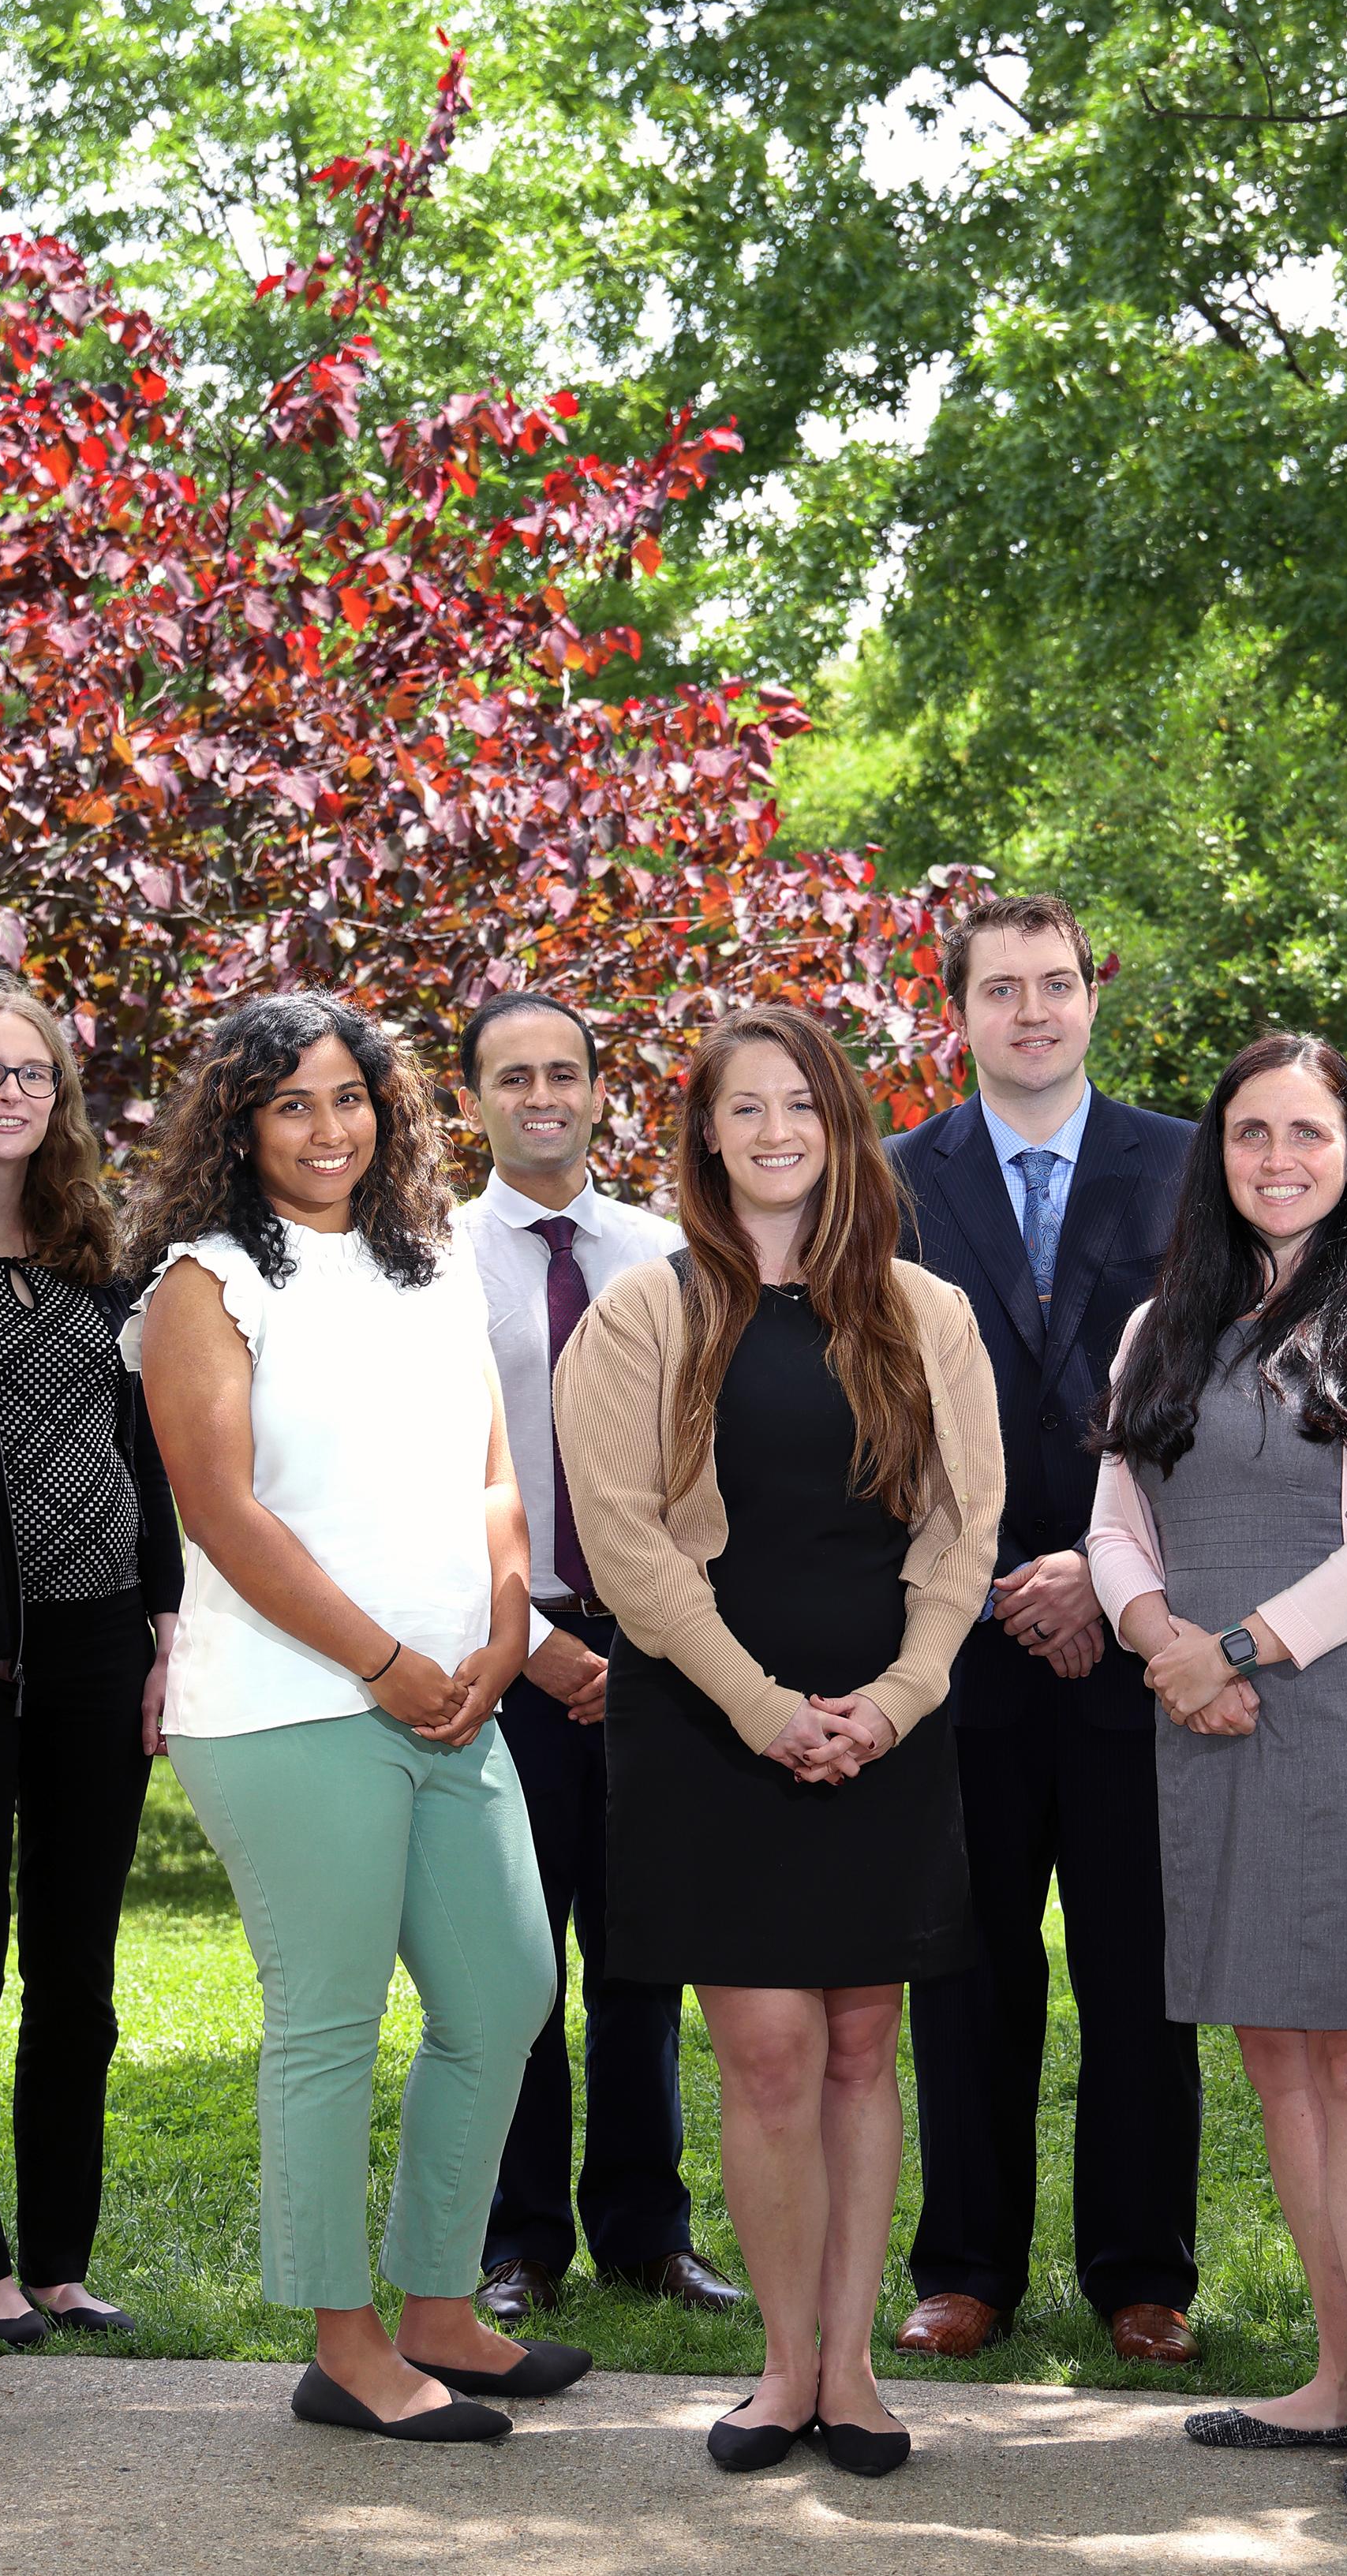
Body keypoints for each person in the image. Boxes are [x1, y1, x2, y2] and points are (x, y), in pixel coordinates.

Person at [562, 1001, 1002, 2477]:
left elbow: (966, 1528)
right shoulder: (643, 1310)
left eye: (800, 1107)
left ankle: (852, 2367)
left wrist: (901, 1694)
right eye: (743, 1108)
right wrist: (758, 1709)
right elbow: (623, 1540)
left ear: (841, 1129)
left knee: (863, 2046)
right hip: (707, 1717)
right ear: (703, 1135)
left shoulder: (925, 1312)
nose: (773, 1132)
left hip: (886, 1712)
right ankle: (778, 2368)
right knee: (763, 2051)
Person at [125, 993, 566, 2445]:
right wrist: (382, 1659)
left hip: (456, 1693)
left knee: (503, 1992)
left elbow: (494, 1466)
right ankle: (345, 2343)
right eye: (292, 1105)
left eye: (350, 1099)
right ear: (239, 1128)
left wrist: (507, 1628)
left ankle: (441, 2307)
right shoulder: (205, 1282)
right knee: (327, 2023)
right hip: (291, 1703)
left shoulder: (433, 1264)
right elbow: (225, 1515)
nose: (329, 1131)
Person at [1083, 1034, 1347, 2508]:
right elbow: (1116, 1518)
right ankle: (1324, 2375)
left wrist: (1225, 1652)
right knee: (1273, 2054)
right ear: (1219, 1154)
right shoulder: (1160, 1328)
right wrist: (1156, 1636)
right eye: (1252, 1133)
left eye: (1307, 1133)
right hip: (1203, 1710)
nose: (1279, 1159)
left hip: (1340, 1711)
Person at [885, 894, 1207, 2366]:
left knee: (1142, 1965)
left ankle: (1145, 2273)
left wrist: (1098, 1567)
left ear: (1095, 998)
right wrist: (1001, 1571)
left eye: (1057, 985)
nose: (1033, 1011)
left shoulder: (1192, 1171)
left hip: (1141, 1631)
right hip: (956, 1642)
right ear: (955, 1011)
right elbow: (879, 1409)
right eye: (1001, 989)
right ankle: (966, 2268)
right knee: (967, 1968)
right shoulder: (891, 1182)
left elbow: (1212, 1397)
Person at [0, 979, 187, 2346]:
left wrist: (168, 1623)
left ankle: (61, 2256)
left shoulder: (94, 1252)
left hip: (103, 1634)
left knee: (79, 1963)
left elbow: (146, 1449)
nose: (9, 1093)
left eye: (33, 1075)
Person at [457, 991, 743, 2325]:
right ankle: (516, 2243)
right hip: (501, 1645)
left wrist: (662, 1637)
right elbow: (427, 1480)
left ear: (596, 1090)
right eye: (513, 1077)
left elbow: (712, 1454)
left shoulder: (672, 1253)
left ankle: (644, 2229)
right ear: (473, 1103)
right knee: (516, 1962)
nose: (542, 1096)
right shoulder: (432, 1260)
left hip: (660, 1644)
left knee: (644, 1960)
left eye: (563, 1072)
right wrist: (528, 1649)